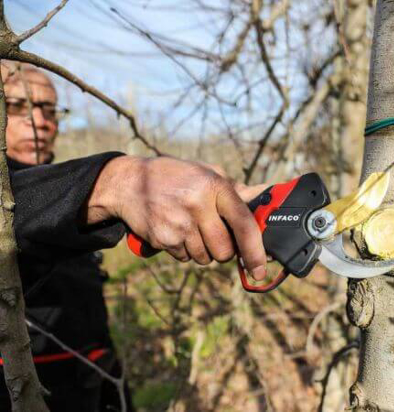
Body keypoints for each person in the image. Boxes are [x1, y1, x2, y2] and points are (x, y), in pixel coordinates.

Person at [0, 63, 267, 411]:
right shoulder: (50, 190)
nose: (39, 119)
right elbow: (20, 206)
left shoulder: (66, 188)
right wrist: (116, 183)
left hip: (94, 382)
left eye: (49, 108)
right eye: (17, 105)